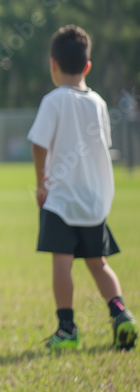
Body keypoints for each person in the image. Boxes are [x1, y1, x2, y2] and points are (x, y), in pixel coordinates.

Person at [28, 25, 136, 351]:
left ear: (53, 65)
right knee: (98, 262)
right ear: (88, 67)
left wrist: (41, 182)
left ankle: (67, 329)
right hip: (94, 200)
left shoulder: (54, 100)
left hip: (61, 200)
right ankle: (121, 313)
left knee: (62, 262)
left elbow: (38, 143)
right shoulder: (99, 104)